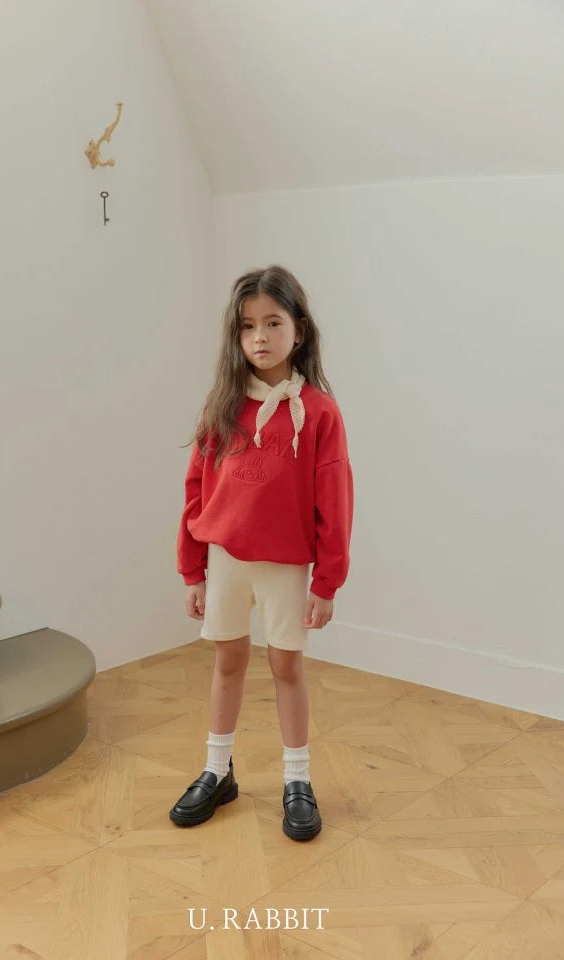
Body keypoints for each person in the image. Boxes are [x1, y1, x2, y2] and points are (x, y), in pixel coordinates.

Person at [170, 264, 354, 841]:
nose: (260, 337)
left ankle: (297, 779)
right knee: (227, 662)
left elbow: (335, 500)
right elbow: (196, 489)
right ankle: (217, 770)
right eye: (248, 326)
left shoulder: (318, 412)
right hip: (225, 560)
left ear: (299, 329)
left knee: (286, 666)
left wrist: (327, 581)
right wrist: (192, 569)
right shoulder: (222, 406)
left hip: (286, 566)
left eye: (273, 323)